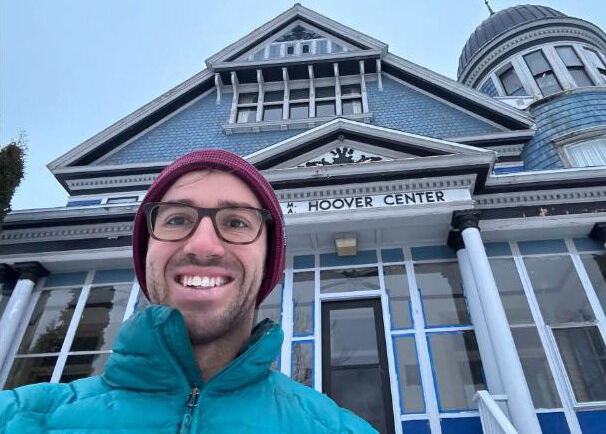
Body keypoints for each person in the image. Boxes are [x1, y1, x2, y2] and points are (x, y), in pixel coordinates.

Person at [0, 149, 376, 433]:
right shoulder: (16, 416)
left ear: (268, 267)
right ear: (146, 257)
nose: (204, 246)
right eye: (177, 219)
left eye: (236, 222)